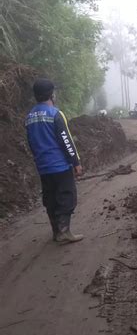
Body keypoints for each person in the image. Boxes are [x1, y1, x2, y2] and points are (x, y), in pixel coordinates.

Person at [25, 78, 84, 243]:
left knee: (50, 199)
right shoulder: (55, 114)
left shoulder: (29, 117)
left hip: (43, 166)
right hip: (59, 166)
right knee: (67, 197)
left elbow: (31, 142)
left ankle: (56, 232)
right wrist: (76, 163)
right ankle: (64, 231)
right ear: (51, 94)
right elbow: (66, 141)